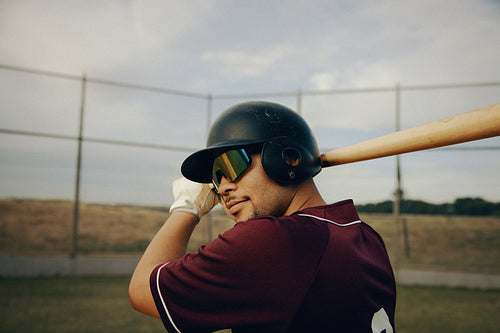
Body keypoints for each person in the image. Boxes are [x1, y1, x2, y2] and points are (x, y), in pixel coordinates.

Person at [129, 101, 396, 332]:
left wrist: (186, 207)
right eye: (216, 176)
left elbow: (141, 290)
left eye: (231, 164)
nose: (222, 188)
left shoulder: (271, 240)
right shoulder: (366, 236)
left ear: (288, 158)